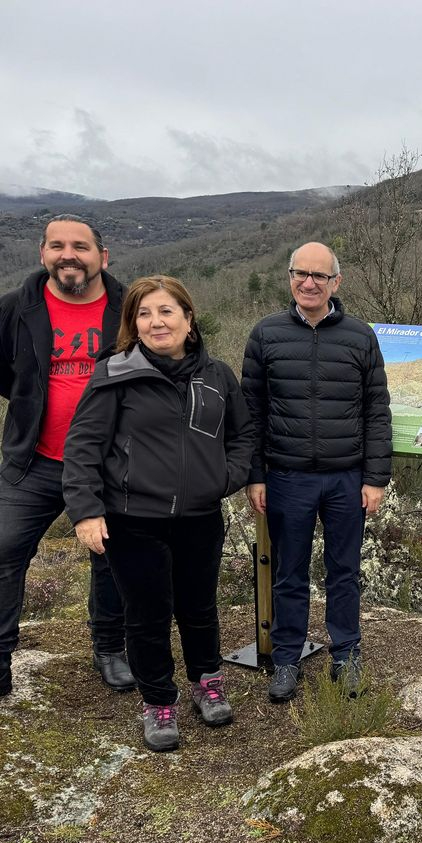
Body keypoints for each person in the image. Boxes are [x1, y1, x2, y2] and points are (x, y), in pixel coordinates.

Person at [62, 276, 253, 751]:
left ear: (188, 320)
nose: (155, 321)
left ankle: (207, 681)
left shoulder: (217, 375)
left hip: (200, 516)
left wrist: (223, 479)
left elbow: (243, 435)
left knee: (199, 607)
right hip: (133, 518)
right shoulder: (115, 373)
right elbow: (83, 446)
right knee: (147, 614)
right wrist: (86, 511)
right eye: (144, 314)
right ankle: (158, 701)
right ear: (133, 325)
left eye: (166, 311)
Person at [241, 242, 392, 703]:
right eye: (300, 273)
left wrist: (375, 478)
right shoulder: (265, 334)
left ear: (335, 283)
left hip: (347, 478)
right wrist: (255, 474)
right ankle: (287, 659)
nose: (308, 283)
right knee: (289, 573)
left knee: (343, 571)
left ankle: (346, 655)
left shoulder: (360, 336)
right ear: (290, 277)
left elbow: (376, 411)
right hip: (287, 477)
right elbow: (251, 414)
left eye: (319, 276)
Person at [0, 215, 131, 697]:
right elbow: (5, 374)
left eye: (80, 246)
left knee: (111, 556)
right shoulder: (17, 308)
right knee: (4, 550)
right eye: (57, 245)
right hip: (33, 460)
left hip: (110, 462)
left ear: (102, 256)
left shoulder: (127, 309)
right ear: (42, 254)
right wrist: (32, 407)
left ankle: (110, 649)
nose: (68, 255)